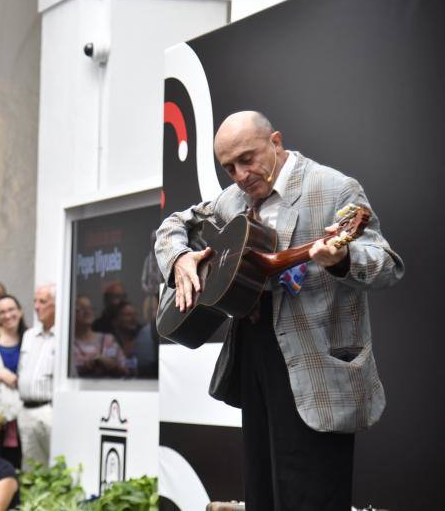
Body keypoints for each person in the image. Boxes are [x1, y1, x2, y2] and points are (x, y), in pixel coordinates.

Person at [154, 110, 404, 509]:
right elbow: (173, 224)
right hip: (256, 354)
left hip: (317, 365)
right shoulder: (232, 199)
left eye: (247, 159)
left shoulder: (334, 188)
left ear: (275, 141)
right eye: (228, 167)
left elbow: (387, 265)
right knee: (262, 494)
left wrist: (340, 260)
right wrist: (180, 258)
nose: (239, 175)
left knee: (312, 496)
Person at [16, 283, 56, 470]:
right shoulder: (29, 335)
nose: (37, 306)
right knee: (30, 468)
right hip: (26, 410)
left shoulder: (63, 336)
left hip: (49, 410)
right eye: (35, 301)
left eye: (43, 301)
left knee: (54, 464)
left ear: (56, 304)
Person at [0, 295, 27, 468]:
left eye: (11, 310)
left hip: (25, 410)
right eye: (2, 312)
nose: (7, 315)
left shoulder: (30, 338)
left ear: (20, 311)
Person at [71, 296, 126, 378]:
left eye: (90, 308)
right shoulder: (67, 343)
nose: (87, 311)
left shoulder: (109, 339)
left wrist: (111, 365)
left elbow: (125, 370)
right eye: (81, 309)